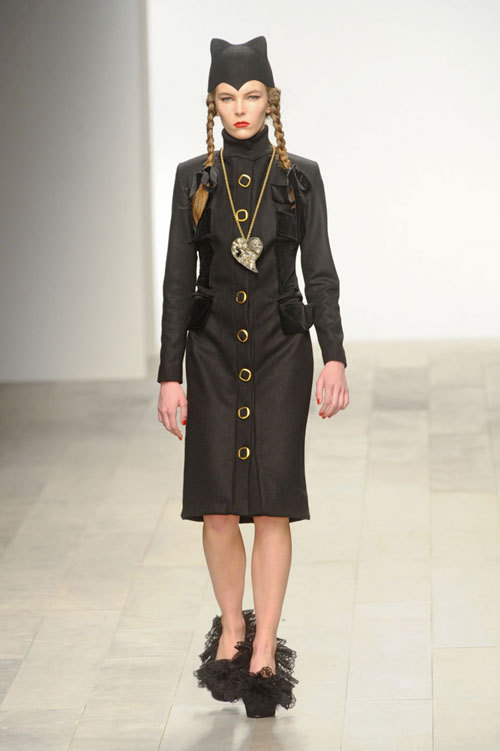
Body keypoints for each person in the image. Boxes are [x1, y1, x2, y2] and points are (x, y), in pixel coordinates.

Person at [157, 35, 349, 718]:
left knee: (272, 503)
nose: (240, 108)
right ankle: (232, 627)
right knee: (216, 505)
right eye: (227, 97)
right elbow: (177, 281)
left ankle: (264, 644)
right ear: (212, 105)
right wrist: (169, 373)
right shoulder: (194, 179)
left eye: (252, 95)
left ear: (272, 101)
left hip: (280, 352)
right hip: (210, 354)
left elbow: (319, 273)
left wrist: (333, 354)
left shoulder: (300, 177)